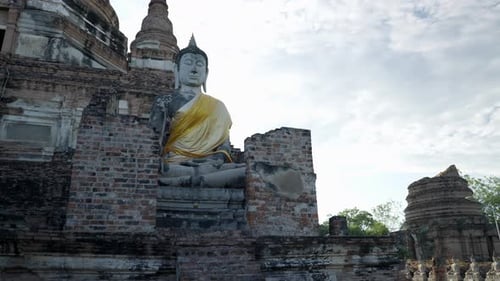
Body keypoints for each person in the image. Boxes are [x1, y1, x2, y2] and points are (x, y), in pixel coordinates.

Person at [149, 35, 245, 187]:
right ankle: (193, 180)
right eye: (188, 63)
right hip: (174, 163)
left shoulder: (217, 106)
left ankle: (189, 181)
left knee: (247, 172)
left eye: (199, 64)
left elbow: (223, 143)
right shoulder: (165, 101)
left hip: (211, 165)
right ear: (177, 70)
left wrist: (218, 159)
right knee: (156, 169)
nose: (194, 69)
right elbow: (154, 140)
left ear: (206, 73)